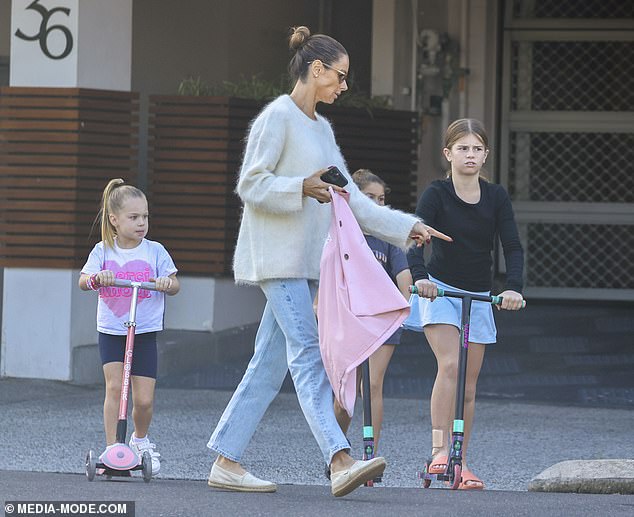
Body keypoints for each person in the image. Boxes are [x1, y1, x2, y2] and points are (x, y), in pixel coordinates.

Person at [206, 25, 451, 498]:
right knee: (306, 350)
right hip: (276, 261)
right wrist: (300, 185)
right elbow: (250, 185)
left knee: (269, 361)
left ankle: (225, 460)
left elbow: (353, 200)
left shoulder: (320, 128)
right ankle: (339, 459)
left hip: (299, 263)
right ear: (315, 69)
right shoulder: (276, 118)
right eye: (339, 76)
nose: (342, 86)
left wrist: (408, 227)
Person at [407, 118, 525, 490]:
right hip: (441, 289)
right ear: (448, 153)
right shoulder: (437, 193)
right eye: (462, 148)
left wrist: (514, 288)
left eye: (476, 148)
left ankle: (460, 461)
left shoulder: (496, 196)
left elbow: (512, 246)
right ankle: (439, 451)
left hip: (478, 296)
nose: (470, 155)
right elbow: (415, 236)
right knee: (451, 365)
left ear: (485, 154)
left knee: (469, 387)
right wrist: (420, 277)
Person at [79, 178, 180, 476]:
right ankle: (113, 450)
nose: (141, 223)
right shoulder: (103, 251)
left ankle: (139, 440)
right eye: (134, 217)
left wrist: (165, 283)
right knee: (114, 387)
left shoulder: (155, 251)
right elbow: (84, 281)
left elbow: (175, 284)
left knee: (144, 400)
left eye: (145, 217)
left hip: (144, 332)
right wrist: (98, 279)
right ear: (114, 219)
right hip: (112, 331)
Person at [331, 169, 413, 474]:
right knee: (344, 395)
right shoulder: (340, 230)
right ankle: (336, 453)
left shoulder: (386, 236)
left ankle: (369, 457)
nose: (377, 204)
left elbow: (404, 276)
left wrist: (405, 303)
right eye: (370, 198)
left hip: (382, 319)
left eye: (381, 199)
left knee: (373, 386)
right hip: (349, 319)